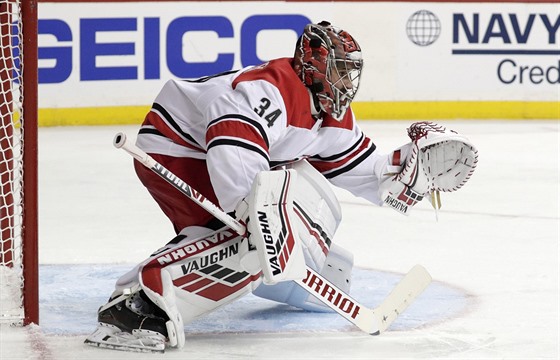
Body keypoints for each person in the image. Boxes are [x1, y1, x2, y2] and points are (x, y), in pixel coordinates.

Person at [85, 21, 477, 352]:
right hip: (177, 144)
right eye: (339, 69)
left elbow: (358, 168)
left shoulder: (331, 112)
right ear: (313, 66)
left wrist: (405, 170)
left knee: (274, 217)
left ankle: (290, 286)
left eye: (351, 71)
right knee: (244, 239)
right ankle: (133, 307)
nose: (348, 80)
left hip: (212, 149)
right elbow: (230, 140)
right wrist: (252, 210)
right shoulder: (269, 90)